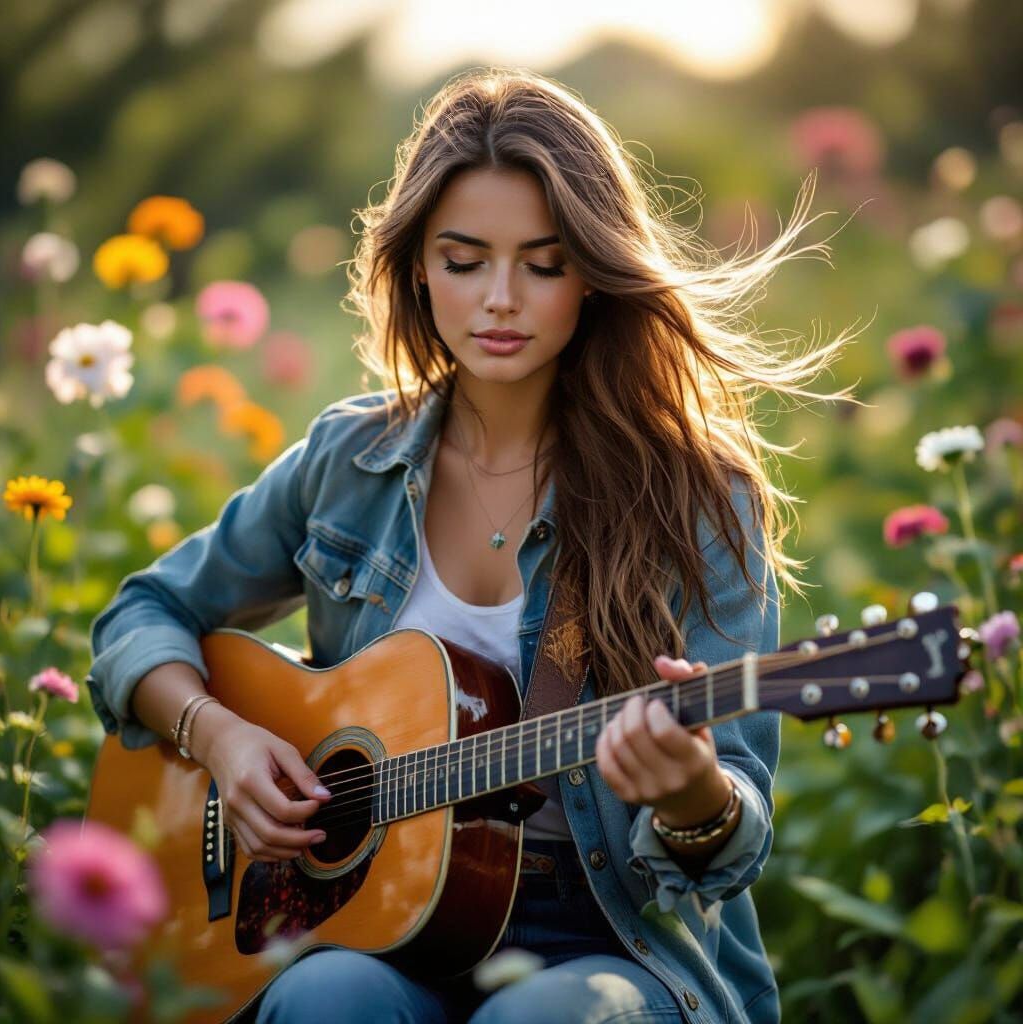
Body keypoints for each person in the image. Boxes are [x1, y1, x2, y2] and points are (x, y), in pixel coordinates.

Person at [86, 68, 860, 1023]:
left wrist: (696, 791)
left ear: (595, 273)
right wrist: (225, 737)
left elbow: (733, 840)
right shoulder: (349, 459)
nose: (501, 299)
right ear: (416, 264)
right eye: (464, 260)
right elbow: (142, 614)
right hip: (367, 917)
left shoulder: (695, 494)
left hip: (611, 939)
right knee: (326, 1000)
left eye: (543, 264)